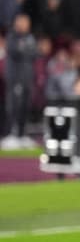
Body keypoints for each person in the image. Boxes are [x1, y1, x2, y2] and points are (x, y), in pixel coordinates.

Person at [1, 13, 38, 150]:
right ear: (17, 23)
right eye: (22, 22)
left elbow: (35, 53)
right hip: (15, 77)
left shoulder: (30, 37)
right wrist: (27, 50)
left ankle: (22, 135)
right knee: (14, 105)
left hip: (27, 77)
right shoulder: (11, 37)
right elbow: (17, 52)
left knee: (25, 106)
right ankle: (11, 134)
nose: (25, 25)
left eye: (27, 22)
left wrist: (27, 49)